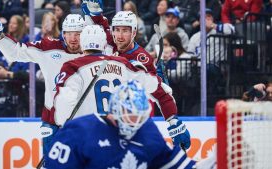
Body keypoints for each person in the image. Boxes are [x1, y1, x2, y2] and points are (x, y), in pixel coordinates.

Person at [51, 25, 190, 151]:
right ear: (104, 44)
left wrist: (63, 129)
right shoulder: (123, 64)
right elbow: (161, 91)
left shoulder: (72, 67)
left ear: (82, 44)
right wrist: (173, 121)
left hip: (87, 140)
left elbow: (63, 107)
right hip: (119, 140)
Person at [81, 0, 190, 149]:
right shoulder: (111, 39)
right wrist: (95, 13)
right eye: (117, 30)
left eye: (125, 30)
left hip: (130, 122)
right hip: (102, 119)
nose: (119, 35)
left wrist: (174, 122)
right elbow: (102, 26)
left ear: (133, 32)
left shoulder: (141, 59)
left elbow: (161, 94)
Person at [0, 12, 85, 156]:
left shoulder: (94, 54)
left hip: (83, 119)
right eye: (69, 33)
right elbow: (16, 52)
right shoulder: (48, 47)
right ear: (63, 33)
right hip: (53, 121)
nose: (73, 39)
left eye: (78, 34)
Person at [45, 79, 195, 169]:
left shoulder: (147, 129)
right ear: (116, 108)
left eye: (140, 115)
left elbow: (172, 163)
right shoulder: (77, 131)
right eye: (130, 113)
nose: (136, 121)